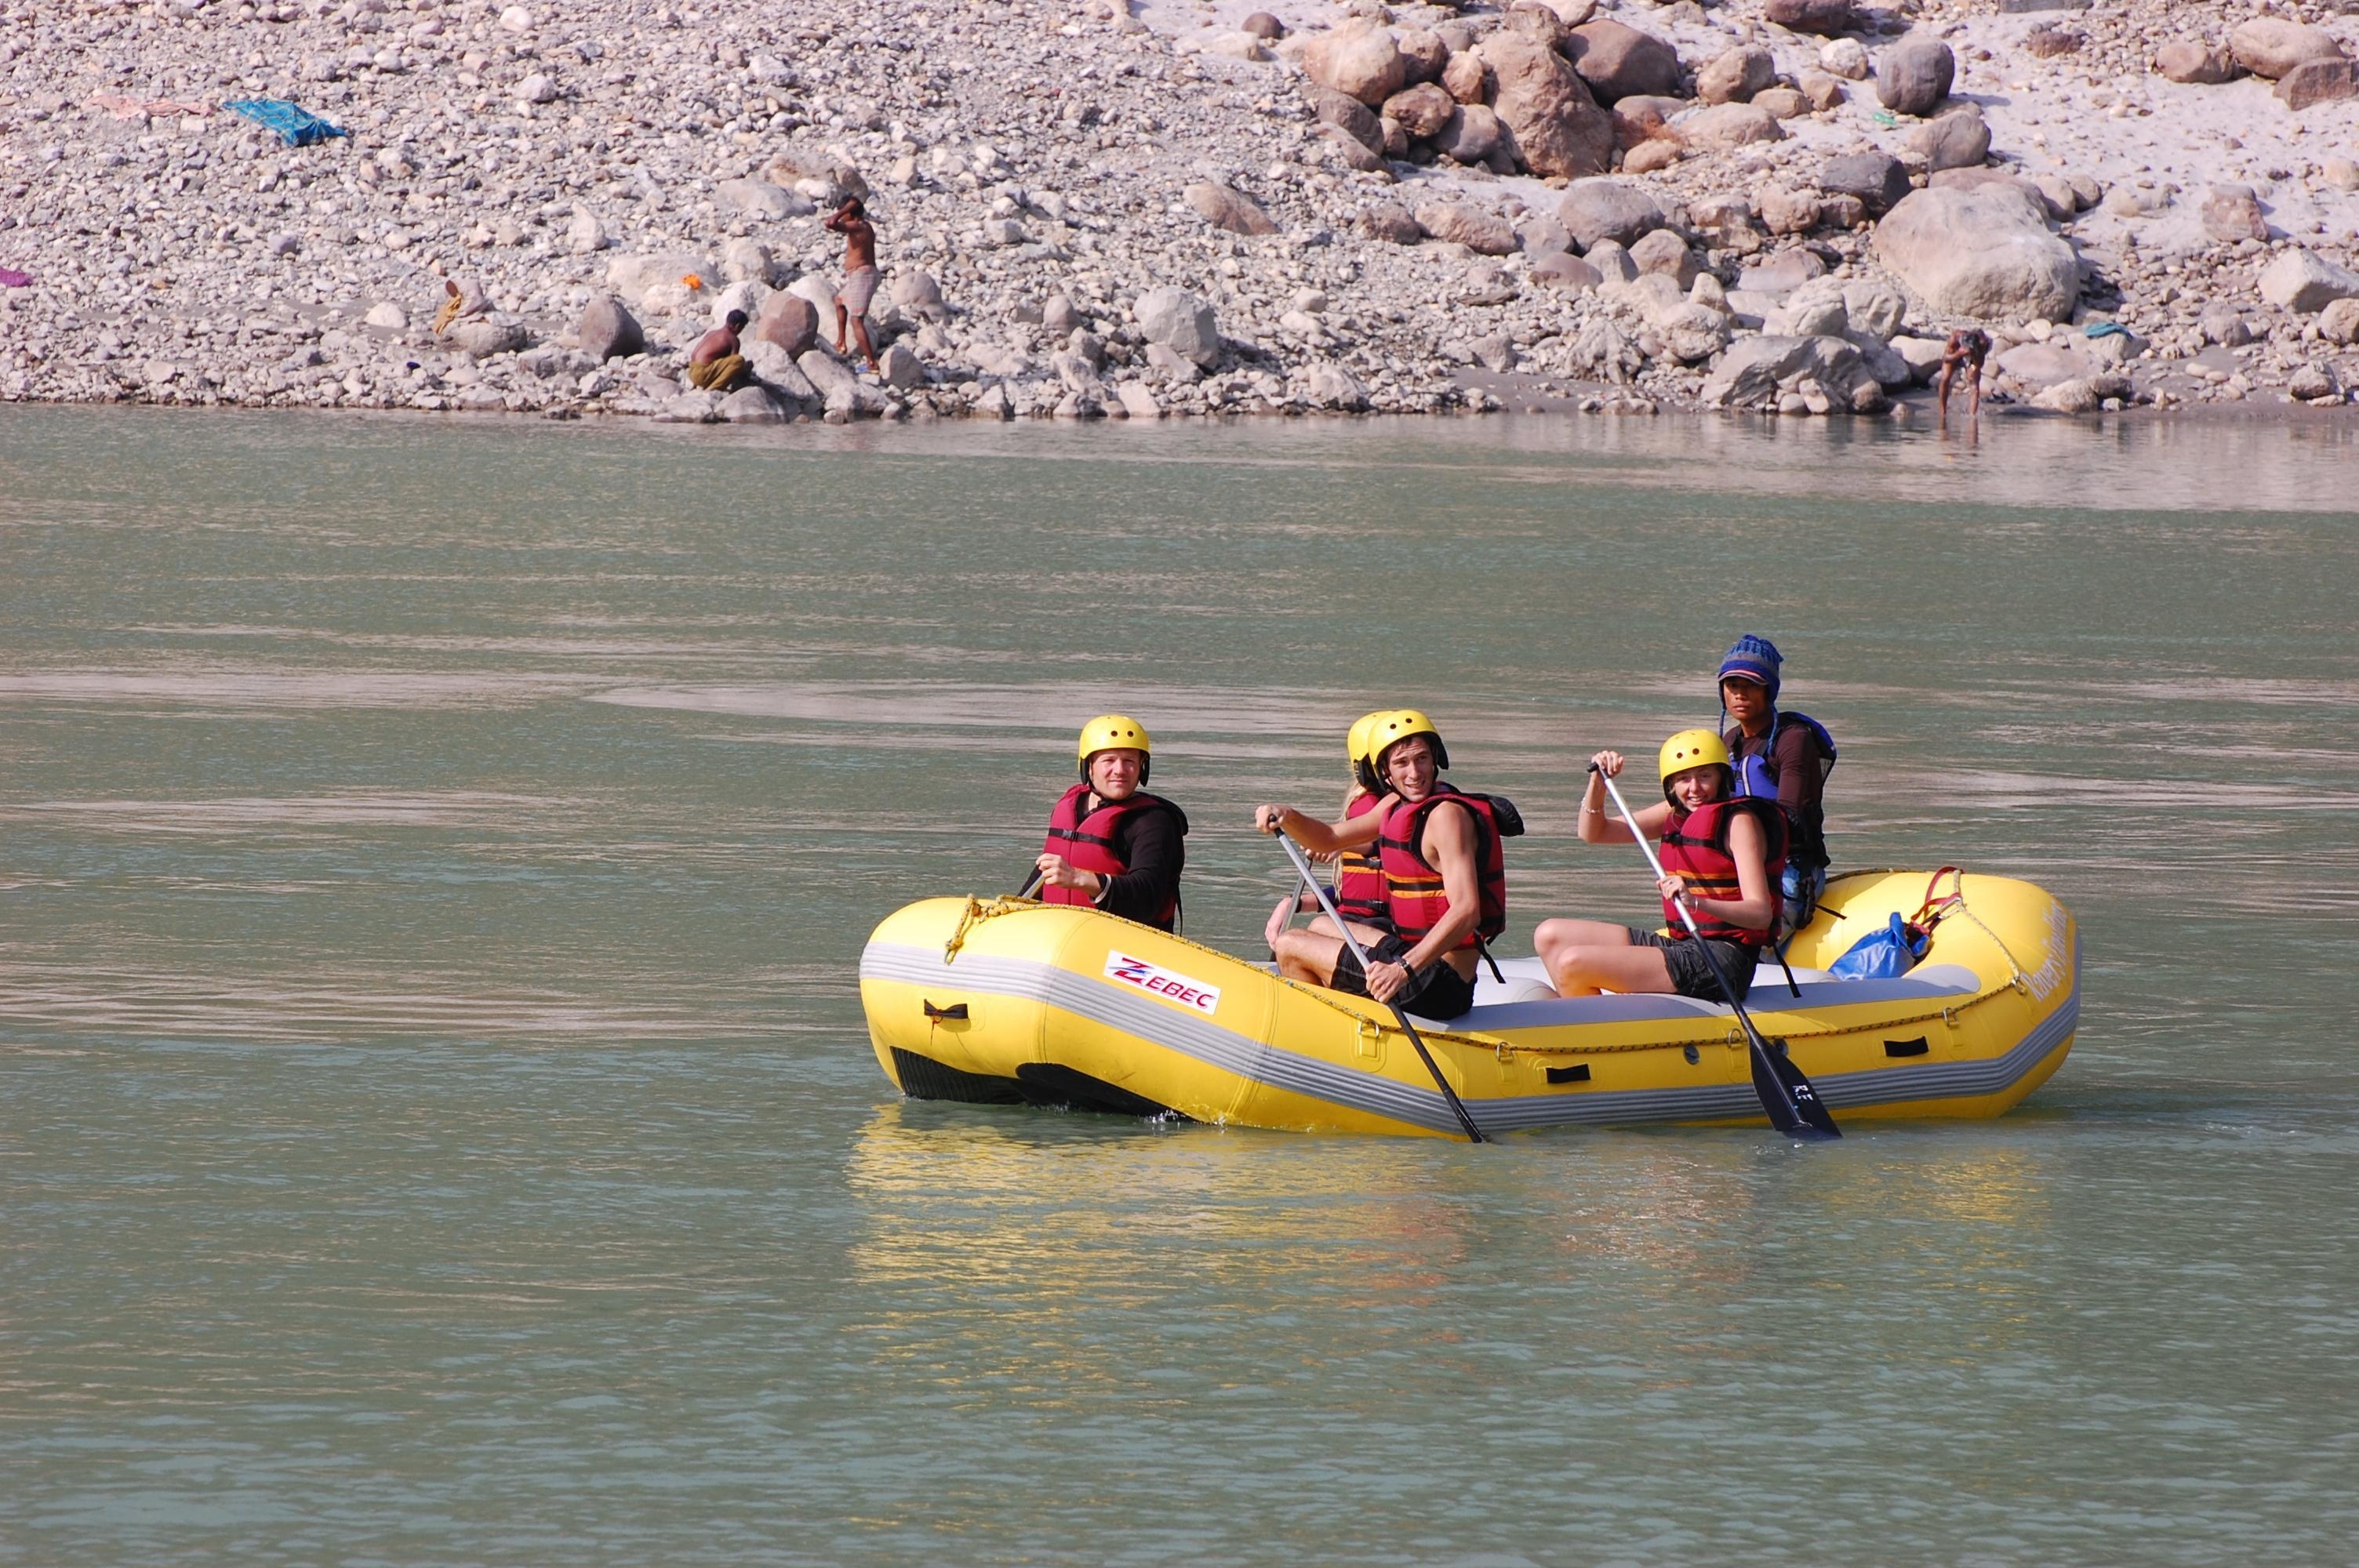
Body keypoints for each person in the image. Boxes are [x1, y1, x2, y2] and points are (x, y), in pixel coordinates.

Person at [1256, 710, 1507, 1021]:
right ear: (1385, 772)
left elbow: (1468, 912)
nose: (1414, 773)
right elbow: (1331, 837)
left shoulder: (1447, 817)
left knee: (1290, 943)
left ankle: (1316, 1032)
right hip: (1416, 962)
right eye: (1402, 763)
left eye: (1422, 759)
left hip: (1441, 983)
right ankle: (1344, 1020)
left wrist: (1401, 970)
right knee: (1323, 925)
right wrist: (1288, 816)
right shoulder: (1395, 804)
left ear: (1436, 759)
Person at [1533, 731, 1787, 1004]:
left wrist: (1696, 901)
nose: (1694, 789)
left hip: (1723, 959)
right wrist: (1598, 783)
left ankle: (1591, 1037)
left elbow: (1761, 914)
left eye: (1705, 776)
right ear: (1671, 785)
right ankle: (1580, 1020)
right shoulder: (1675, 813)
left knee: (1574, 962)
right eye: (1683, 779)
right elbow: (1594, 833)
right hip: (1683, 945)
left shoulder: (1739, 822)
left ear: (1722, 776)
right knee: (1550, 936)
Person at [1715, 634, 1838, 937]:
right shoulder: (1728, 741)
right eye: (1733, 685)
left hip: (1790, 870)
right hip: (1741, 868)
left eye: (1751, 685)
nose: (1740, 694)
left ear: (1768, 691)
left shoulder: (1793, 739)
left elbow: (1790, 817)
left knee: (1738, 938)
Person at [1034, 714, 1188, 931]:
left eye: (1129, 761)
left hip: (1126, 948)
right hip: (1062, 935)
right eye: (1109, 760)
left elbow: (1147, 896)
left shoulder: (1153, 822)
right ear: (1089, 767)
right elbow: (1044, 874)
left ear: (1142, 768)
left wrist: (1078, 878)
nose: (1120, 770)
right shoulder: (1069, 806)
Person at [1263, 710, 1397, 953]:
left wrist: (1341, 845)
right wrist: (1293, 903)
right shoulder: (1362, 804)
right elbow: (1349, 893)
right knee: (1296, 939)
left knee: (1308, 933)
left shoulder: (1408, 809)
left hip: (1388, 930)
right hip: (1355, 922)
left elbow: (1383, 845)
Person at [823, 195, 882, 374]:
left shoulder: (860, 226)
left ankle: (872, 363)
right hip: (857, 275)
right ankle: (841, 343)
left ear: (850, 213)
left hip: (863, 275)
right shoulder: (860, 226)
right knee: (839, 301)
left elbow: (830, 223)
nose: (842, 218)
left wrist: (844, 209)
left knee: (857, 320)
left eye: (845, 214)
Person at [1936, 327, 1990, 426]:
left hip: (1974, 357)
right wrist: (1958, 354)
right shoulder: (1955, 338)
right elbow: (1945, 359)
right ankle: (1942, 411)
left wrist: (1973, 358)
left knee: (1974, 382)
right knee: (1945, 378)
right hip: (1955, 353)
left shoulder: (1982, 343)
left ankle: (1972, 417)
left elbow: (1980, 364)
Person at [686, 308, 751, 390]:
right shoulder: (733, 339)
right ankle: (713, 388)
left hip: (692, 372)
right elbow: (734, 363)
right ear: (737, 326)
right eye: (742, 328)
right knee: (739, 360)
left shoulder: (712, 333)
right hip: (702, 374)